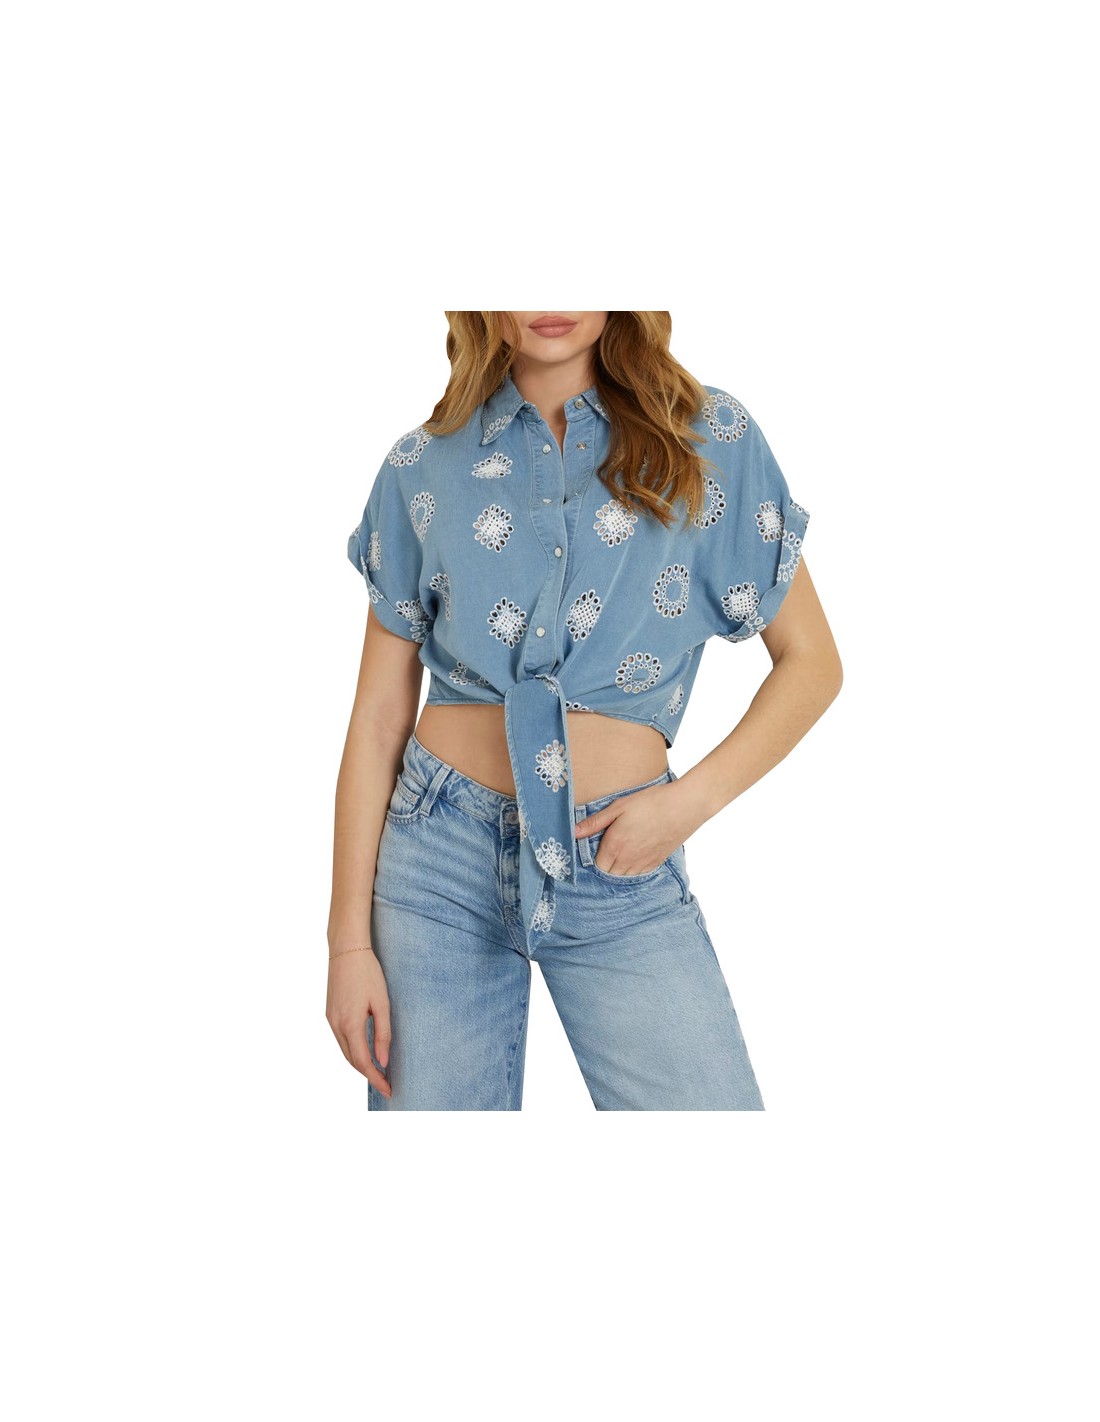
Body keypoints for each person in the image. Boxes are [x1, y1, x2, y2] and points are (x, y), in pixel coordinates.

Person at [327, 311, 842, 1110]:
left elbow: (813, 665)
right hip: (437, 860)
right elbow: (376, 719)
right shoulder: (422, 465)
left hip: (620, 853)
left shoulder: (708, 438)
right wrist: (347, 945)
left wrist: (683, 807)